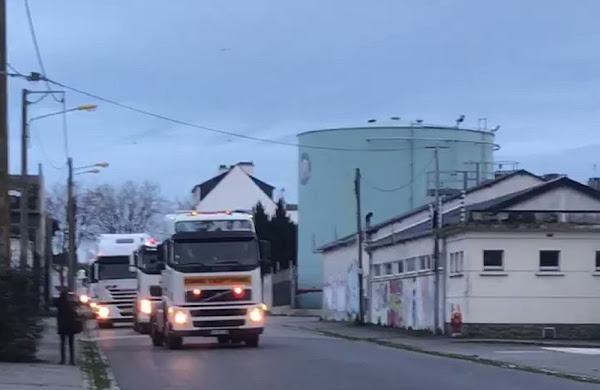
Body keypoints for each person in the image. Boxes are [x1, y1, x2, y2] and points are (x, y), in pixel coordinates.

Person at [56, 290, 79, 365]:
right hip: (70, 326)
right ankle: (71, 360)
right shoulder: (70, 305)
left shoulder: (60, 304)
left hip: (62, 326)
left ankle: (63, 359)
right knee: (71, 344)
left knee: (62, 343)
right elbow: (74, 314)